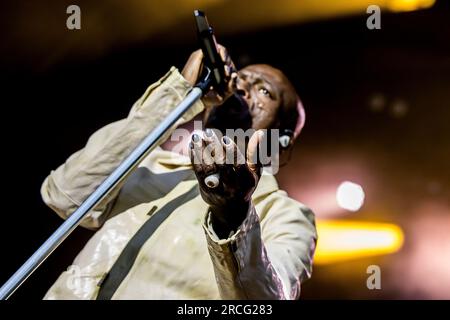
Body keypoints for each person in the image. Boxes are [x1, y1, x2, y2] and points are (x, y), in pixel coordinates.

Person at [40, 45, 317, 300]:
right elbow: (65, 196)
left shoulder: (287, 216)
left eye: (264, 92)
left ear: (282, 139)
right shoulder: (151, 165)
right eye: (240, 79)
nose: (242, 89)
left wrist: (234, 214)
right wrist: (179, 93)